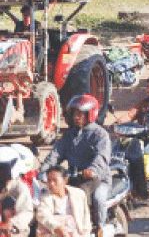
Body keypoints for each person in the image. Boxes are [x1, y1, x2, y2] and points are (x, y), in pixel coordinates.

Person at [40, 95, 111, 233]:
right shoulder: (69, 135)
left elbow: (101, 157)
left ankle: (100, 229)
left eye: (80, 114)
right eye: (74, 113)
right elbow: (55, 154)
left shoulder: (100, 135)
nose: (76, 117)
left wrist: (92, 170)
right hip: (74, 177)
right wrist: (43, 170)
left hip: (98, 179)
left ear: (91, 114)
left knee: (98, 199)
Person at [36, 167, 92, 237]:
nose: (51, 184)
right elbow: (43, 215)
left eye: (54, 180)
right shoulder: (46, 198)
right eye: (49, 180)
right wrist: (58, 228)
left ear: (65, 180)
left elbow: (86, 218)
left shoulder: (79, 194)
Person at [0, 148, 33, 236]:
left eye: (3, 167)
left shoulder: (19, 187)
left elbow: (26, 212)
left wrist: (11, 223)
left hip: (13, 228)